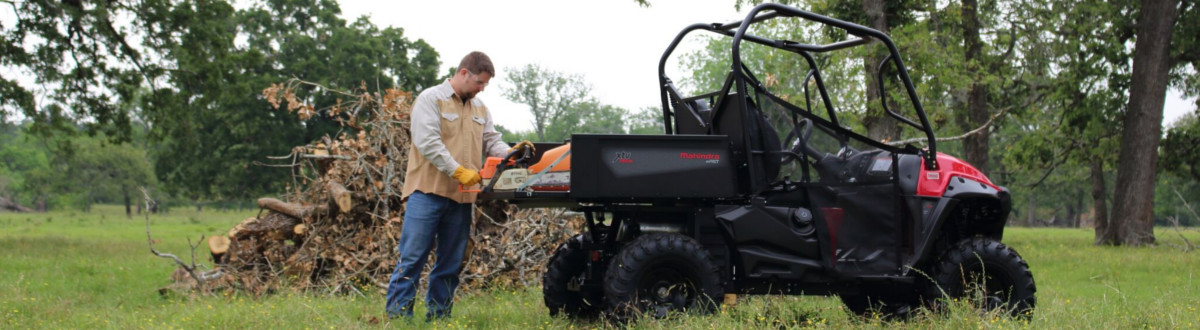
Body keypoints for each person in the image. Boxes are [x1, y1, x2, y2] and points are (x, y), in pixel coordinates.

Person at [386, 51, 532, 321]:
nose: (481, 89)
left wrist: (512, 153)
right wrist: (458, 171)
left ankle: (439, 320)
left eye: (485, 85)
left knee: (450, 265)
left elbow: (491, 142)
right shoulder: (431, 100)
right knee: (411, 260)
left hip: (463, 199)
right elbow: (427, 142)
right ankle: (397, 321)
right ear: (463, 73)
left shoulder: (480, 108)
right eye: (479, 82)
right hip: (426, 194)